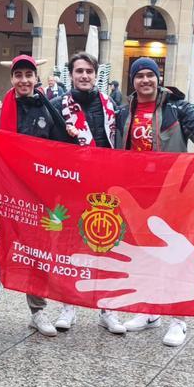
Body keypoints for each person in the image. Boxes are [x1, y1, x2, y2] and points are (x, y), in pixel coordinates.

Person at [113, 57, 194, 347]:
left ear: (158, 78)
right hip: (138, 191)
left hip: (171, 191)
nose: (145, 80)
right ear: (132, 81)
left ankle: (178, 319)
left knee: (173, 252)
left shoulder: (177, 109)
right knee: (145, 251)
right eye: (140, 76)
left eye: (150, 75)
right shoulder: (125, 112)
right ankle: (149, 311)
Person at [0, 54, 74, 338]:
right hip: (4, 200)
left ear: (36, 78)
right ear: (12, 79)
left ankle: (37, 311)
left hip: (38, 199)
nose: (24, 80)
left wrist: (72, 134)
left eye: (29, 75)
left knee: (37, 256)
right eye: (19, 75)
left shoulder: (46, 109)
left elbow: (64, 149)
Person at [50, 51, 126, 334]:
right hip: (72, 187)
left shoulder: (111, 106)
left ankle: (107, 308)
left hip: (105, 187)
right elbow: (37, 138)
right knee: (70, 247)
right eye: (79, 71)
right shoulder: (58, 106)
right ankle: (68, 306)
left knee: (107, 246)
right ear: (71, 74)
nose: (84, 76)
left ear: (96, 75)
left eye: (89, 71)